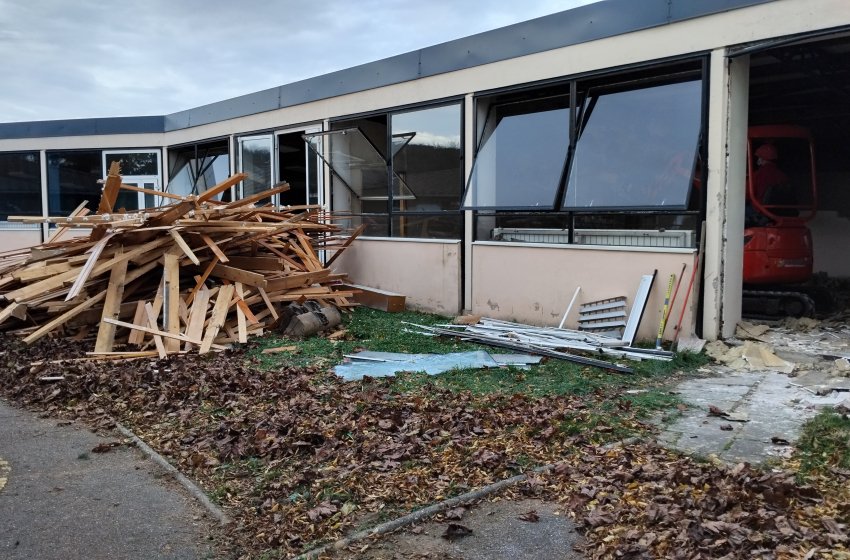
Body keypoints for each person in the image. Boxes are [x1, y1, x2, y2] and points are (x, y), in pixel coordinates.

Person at [746, 143, 789, 225]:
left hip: (760, 210)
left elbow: (746, 194)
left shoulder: (758, 175)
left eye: (759, 157)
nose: (758, 159)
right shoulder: (783, 176)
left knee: (735, 211)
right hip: (778, 211)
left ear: (762, 159)